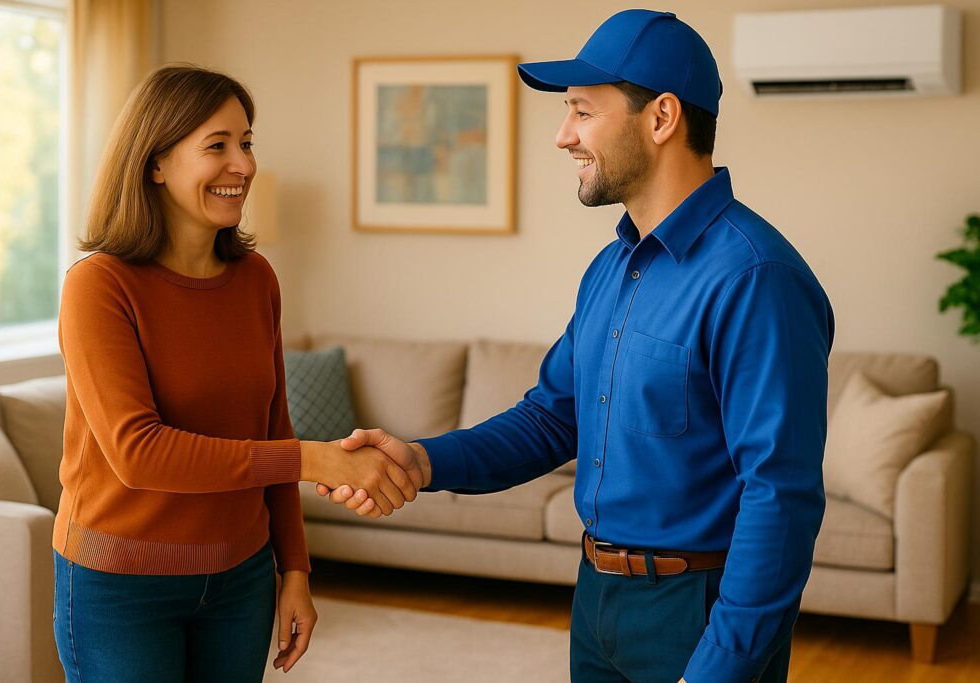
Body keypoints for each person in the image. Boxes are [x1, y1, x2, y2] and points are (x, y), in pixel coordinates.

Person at [318, 10, 834, 683]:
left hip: (696, 614)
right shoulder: (611, 269)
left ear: (662, 118)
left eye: (583, 112)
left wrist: (720, 667)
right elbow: (551, 417)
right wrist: (420, 460)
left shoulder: (756, 277)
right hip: (597, 600)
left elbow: (781, 497)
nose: (564, 136)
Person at [53, 65, 422, 682]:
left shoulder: (256, 279)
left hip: (241, 582)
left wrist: (295, 573)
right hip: (119, 585)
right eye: (217, 145)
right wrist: (313, 459)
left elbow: (272, 427)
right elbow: (138, 454)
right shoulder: (98, 286)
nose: (244, 165)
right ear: (155, 163)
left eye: (246, 143)